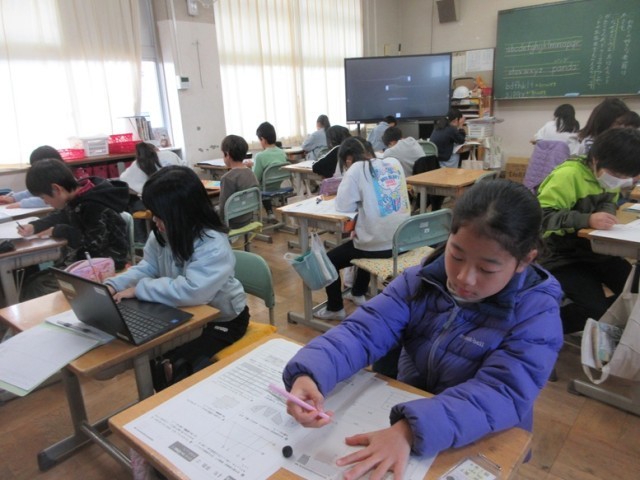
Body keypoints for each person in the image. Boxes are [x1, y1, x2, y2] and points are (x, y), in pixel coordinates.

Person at [282, 179, 563, 478]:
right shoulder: (420, 281)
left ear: (524, 261)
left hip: (481, 433)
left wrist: (410, 431)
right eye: (456, 255)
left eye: (487, 269)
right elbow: (363, 331)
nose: (464, 278)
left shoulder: (536, 315)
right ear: (449, 237)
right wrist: (311, 373)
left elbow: (502, 392)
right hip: (408, 407)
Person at [104, 166, 249, 388]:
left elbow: (193, 291)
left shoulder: (212, 243)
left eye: (160, 215)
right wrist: (114, 285)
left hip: (224, 319)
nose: (155, 220)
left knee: (175, 365)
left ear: (182, 212)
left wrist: (140, 289)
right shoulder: (162, 234)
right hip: (183, 314)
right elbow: (147, 267)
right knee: (152, 356)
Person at [537, 128, 640, 334]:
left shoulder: (605, 176)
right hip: (561, 255)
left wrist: (606, 212)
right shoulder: (568, 175)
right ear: (596, 160)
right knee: (594, 310)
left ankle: (609, 327)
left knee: (634, 291)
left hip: (596, 251)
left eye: (625, 176)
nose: (619, 180)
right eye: (616, 175)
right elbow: (541, 217)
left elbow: (609, 201)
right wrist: (587, 219)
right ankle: (538, 326)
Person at [314, 137, 410, 321]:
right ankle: (357, 292)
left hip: (378, 246)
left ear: (348, 159)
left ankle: (335, 307)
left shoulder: (356, 169)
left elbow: (343, 206)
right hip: (403, 241)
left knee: (329, 260)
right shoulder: (393, 162)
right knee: (362, 238)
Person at [16, 158, 130, 300]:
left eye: (44, 197)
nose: (45, 202)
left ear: (57, 189)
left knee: (38, 286)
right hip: (88, 261)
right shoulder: (79, 195)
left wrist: (59, 230)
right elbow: (62, 214)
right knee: (32, 280)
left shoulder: (94, 205)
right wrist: (35, 226)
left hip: (107, 265)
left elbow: (93, 246)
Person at [218, 134, 259, 228]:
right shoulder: (251, 173)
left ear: (227, 154)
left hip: (231, 223)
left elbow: (223, 208)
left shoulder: (227, 178)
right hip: (247, 218)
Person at [253, 121, 288, 223]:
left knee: (256, 186)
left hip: (264, 189)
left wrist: (250, 168)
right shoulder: (282, 153)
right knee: (265, 185)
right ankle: (270, 213)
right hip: (278, 186)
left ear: (263, 139)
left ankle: (250, 217)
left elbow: (255, 178)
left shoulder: (260, 156)